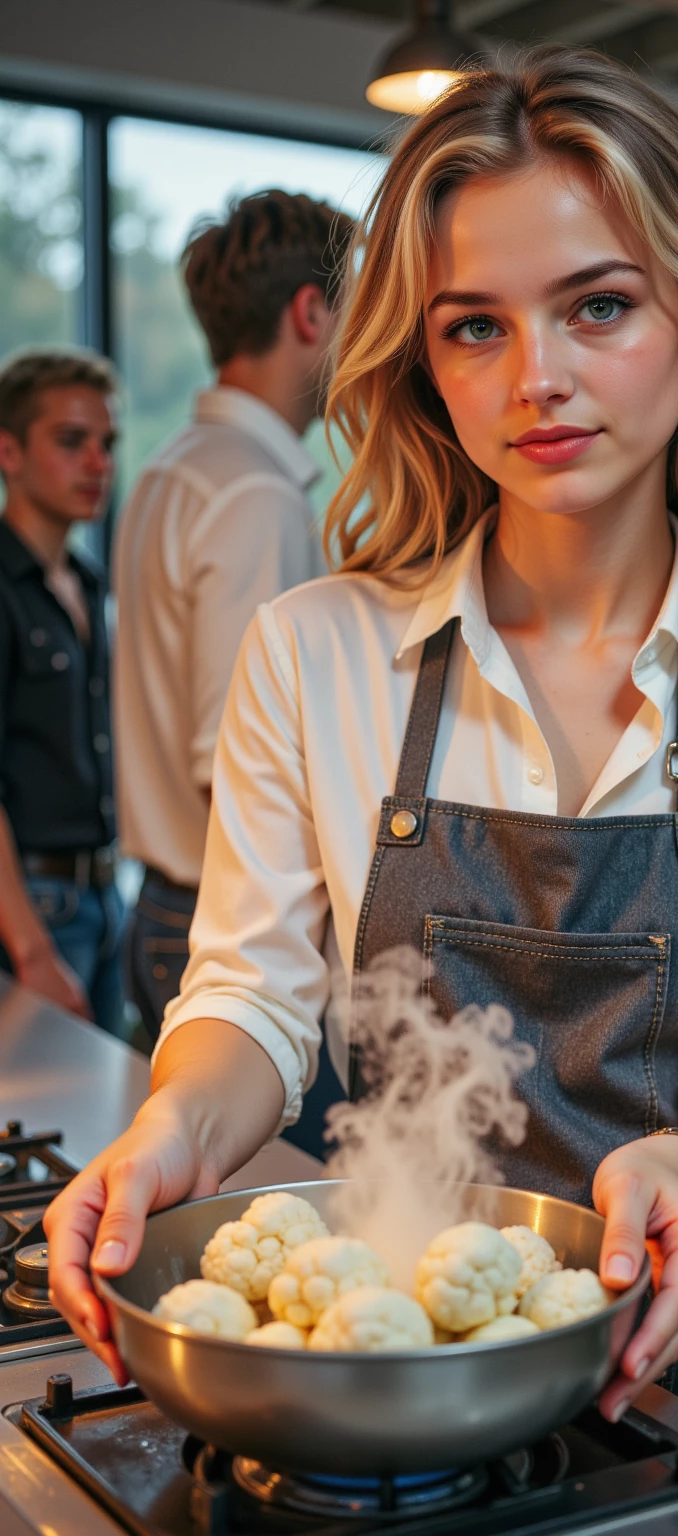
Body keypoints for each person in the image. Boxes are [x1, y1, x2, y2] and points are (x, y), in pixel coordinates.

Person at [48, 51, 678, 1524]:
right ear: (421, 361)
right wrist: (176, 1128)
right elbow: (249, 996)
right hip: (413, 1361)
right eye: (474, 328)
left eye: (600, 306)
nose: (537, 379)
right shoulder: (314, 653)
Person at [113, 189, 352, 1046]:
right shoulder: (251, 489)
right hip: (224, 925)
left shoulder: (176, 466)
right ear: (310, 312)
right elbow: (233, 760)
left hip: (167, 905)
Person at [0, 347, 124, 1033]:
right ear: (8, 451)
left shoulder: (87, 582)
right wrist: (32, 948)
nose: (98, 463)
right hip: (34, 910)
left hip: (104, 896)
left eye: (107, 444)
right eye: (72, 442)